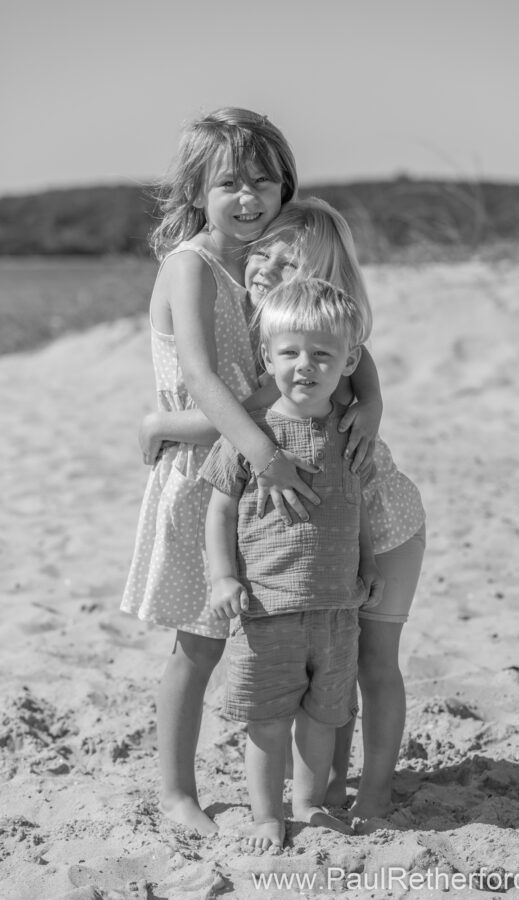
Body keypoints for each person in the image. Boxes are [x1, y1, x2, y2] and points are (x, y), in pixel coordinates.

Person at [142, 197, 426, 821]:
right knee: (327, 662)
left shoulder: (316, 341)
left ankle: (366, 792)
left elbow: (242, 414)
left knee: (366, 662)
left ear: (318, 276)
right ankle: (323, 792)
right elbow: (247, 410)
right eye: (261, 251)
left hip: (380, 523)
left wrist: (161, 423)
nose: (266, 266)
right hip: (320, 530)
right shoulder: (290, 338)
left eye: (287, 260)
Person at [121, 108, 325, 836]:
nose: (249, 197)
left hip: (258, 467)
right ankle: (177, 791)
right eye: (231, 183)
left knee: (282, 633)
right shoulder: (191, 265)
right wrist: (262, 451)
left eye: (265, 182)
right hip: (209, 474)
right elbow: (206, 382)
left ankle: (295, 780)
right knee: (200, 641)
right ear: (195, 191)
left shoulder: (266, 263)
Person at [201, 278, 384, 850]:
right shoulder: (250, 435)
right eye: (290, 353)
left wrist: (369, 563)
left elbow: (359, 507)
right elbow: (219, 510)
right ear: (268, 357)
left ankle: (308, 805)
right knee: (268, 721)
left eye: (322, 354)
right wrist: (222, 576)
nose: (305, 366)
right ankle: (265, 815)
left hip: (337, 610)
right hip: (267, 609)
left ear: (349, 361)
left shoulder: (352, 434)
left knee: (324, 717)